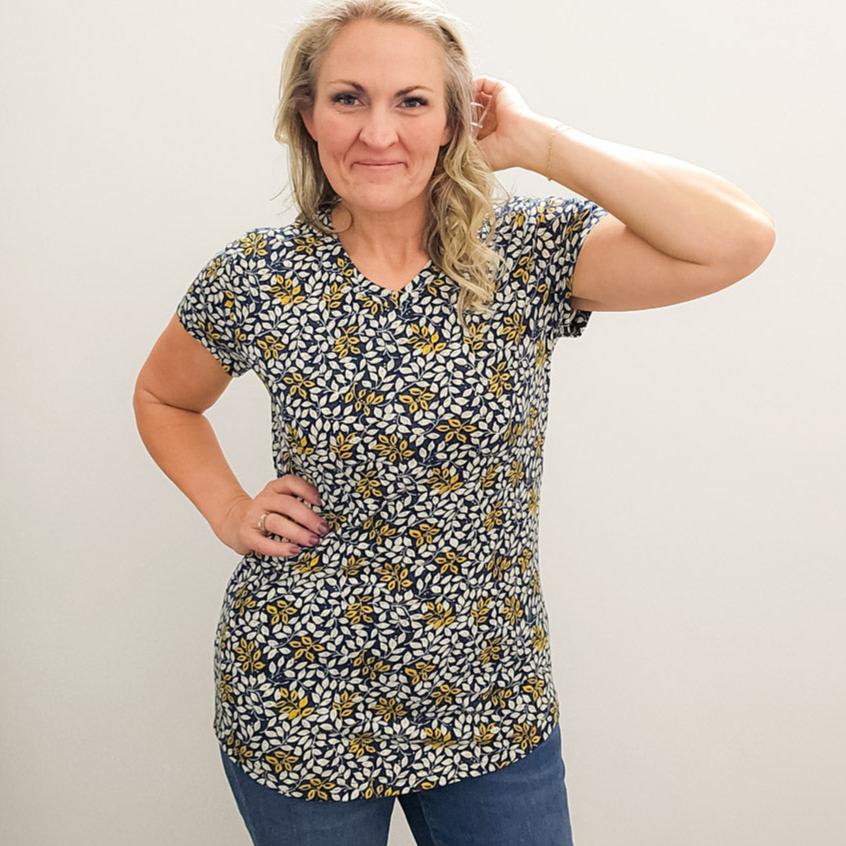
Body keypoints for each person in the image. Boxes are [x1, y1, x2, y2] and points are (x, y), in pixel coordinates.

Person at [133, 1, 775, 843]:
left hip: (490, 698)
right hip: (300, 697)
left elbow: (736, 239)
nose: (377, 132)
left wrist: (543, 144)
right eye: (348, 98)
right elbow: (164, 396)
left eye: (411, 102)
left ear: (452, 121)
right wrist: (225, 506)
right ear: (308, 116)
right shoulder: (261, 273)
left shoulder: (522, 253)